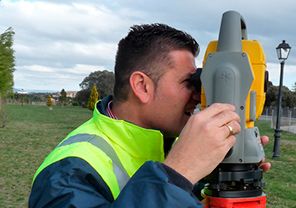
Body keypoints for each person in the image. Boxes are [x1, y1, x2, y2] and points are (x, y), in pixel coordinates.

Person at [29, 23, 270, 208]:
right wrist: (178, 174)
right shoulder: (67, 173)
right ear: (142, 86)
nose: (198, 95)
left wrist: (217, 179)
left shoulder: (168, 145)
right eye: (190, 82)